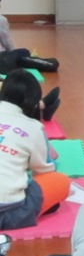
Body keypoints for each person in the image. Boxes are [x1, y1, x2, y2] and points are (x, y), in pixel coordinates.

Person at [0, 69, 70, 230]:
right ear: (34, 102)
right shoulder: (33, 127)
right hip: (9, 213)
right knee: (60, 181)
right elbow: (44, 170)